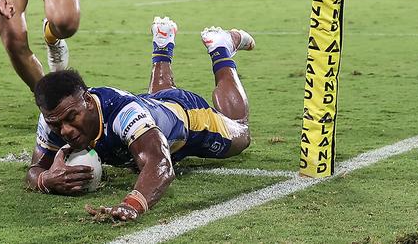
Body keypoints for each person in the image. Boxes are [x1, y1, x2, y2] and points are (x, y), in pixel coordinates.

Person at [26, 16, 255, 221]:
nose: (64, 130)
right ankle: (163, 44)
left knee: (241, 134)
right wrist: (45, 180)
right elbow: (35, 169)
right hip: (154, 107)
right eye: (56, 124)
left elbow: (160, 163)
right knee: (156, 107)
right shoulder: (52, 118)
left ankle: (221, 48)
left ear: (87, 101)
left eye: (71, 117)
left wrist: (132, 204)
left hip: (188, 119)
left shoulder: (122, 113)